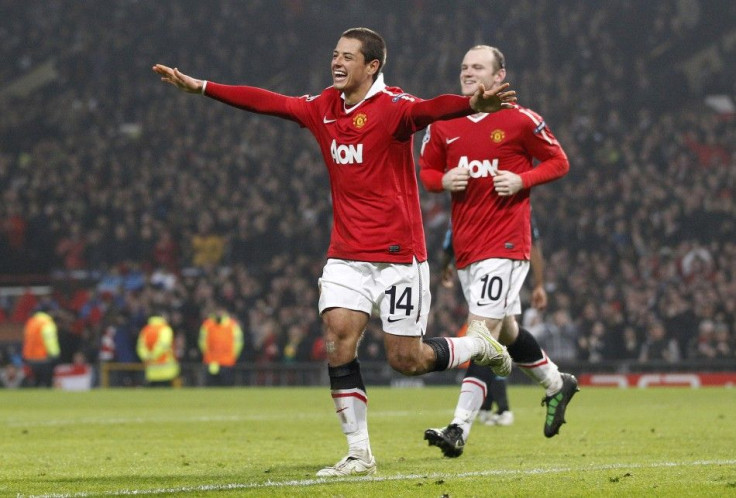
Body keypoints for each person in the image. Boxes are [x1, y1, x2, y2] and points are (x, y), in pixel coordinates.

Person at [153, 27, 517, 476]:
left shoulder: (395, 108)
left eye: (348, 56)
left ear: (372, 66)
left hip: (400, 257)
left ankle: (477, 344)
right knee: (338, 338)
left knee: (407, 360)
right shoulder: (323, 107)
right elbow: (269, 101)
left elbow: (431, 109)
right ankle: (359, 452)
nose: (337, 62)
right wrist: (202, 87)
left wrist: (470, 105)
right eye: (335, 54)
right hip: (346, 254)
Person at [419, 45, 578, 458]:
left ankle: (458, 427)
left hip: (506, 243)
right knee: (504, 329)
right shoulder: (443, 124)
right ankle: (557, 383)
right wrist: (443, 179)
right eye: (464, 67)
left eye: (477, 67)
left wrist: (523, 180)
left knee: (481, 332)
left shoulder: (521, 119)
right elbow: (426, 173)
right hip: (470, 246)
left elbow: (559, 162)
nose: (468, 72)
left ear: (499, 74)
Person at [437, 215, 549, 429]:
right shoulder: (489, 204)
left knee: (489, 345)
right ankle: (489, 409)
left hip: (497, 268)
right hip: (489, 272)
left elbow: (449, 239)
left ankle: (496, 411)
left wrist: (444, 266)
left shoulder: (479, 204)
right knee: (491, 346)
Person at [198, 309, 244, 386]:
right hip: (211, 360)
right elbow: (202, 342)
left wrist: (233, 356)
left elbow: (238, 343)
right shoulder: (207, 324)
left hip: (227, 361)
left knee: (226, 386)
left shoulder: (232, 325)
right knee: (211, 386)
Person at [136, 313, 180, 387]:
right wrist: (153, 355)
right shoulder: (165, 329)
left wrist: (147, 356)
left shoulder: (145, 330)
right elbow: (163, 345)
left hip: (151, 370)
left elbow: (141, 346)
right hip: (166, 370)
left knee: (152, 396)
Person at [21, 309, 60, 387]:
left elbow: (26, 339)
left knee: (36, 383)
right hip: (43, 358)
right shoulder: (46, 323)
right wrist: (55, 354)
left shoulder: (31, 322)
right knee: (47, 382)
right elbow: (50, 340)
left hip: (30, 358)